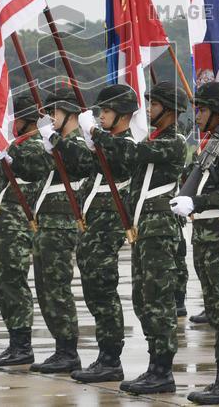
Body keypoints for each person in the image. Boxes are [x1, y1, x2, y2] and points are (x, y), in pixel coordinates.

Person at [170, 81, 219, 405]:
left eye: (202, 109)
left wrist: (197, 203)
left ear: (218, 112)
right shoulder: (210, 145)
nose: (197, 115)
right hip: (204, 237)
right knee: (216, 310)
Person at [120, 82, 188, 395]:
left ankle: (163, 370)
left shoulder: (174, 142)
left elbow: (134, 151)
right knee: (142, 299)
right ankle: (153, 364)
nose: (148, 109)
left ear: (169, 109)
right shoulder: (155, 138)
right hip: (145, 226)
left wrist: (97, 135)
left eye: (153, 104)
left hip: (160, 227)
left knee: (159, 300)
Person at [70, 83, 137, 383]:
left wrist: (94, 135)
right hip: (93, 228)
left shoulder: (128, 143)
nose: (101, 115)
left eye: (106, 111)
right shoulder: (106, 141)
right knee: (93, 292)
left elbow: (121, 157)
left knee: (104, 290)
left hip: (108, 227)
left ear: (122, 114)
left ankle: (112, 358)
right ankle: (104, 355)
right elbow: (83, 163)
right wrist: (61, 145)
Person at [0, 94, 52, 367]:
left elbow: (33, 169)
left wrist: (10, 158)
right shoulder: (16, 145)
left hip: (17, 224)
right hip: (2, 223)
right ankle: (14, 341)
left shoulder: (36, 146)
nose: (13, 124)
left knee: (14, 281)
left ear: (28, 121)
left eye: (17, 119)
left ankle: (23, 344)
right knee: (2, 283)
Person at [30, 87, 86, 374]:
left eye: (55, 112)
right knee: (45, 288)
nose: (51, 117)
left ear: (70, 113)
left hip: (63, 222)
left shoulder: (77, 141)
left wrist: (54, 141)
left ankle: (68, 350)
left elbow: (82, 162)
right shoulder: (57, 142)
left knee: (58, 287)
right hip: (47, 223)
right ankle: (60, 346)